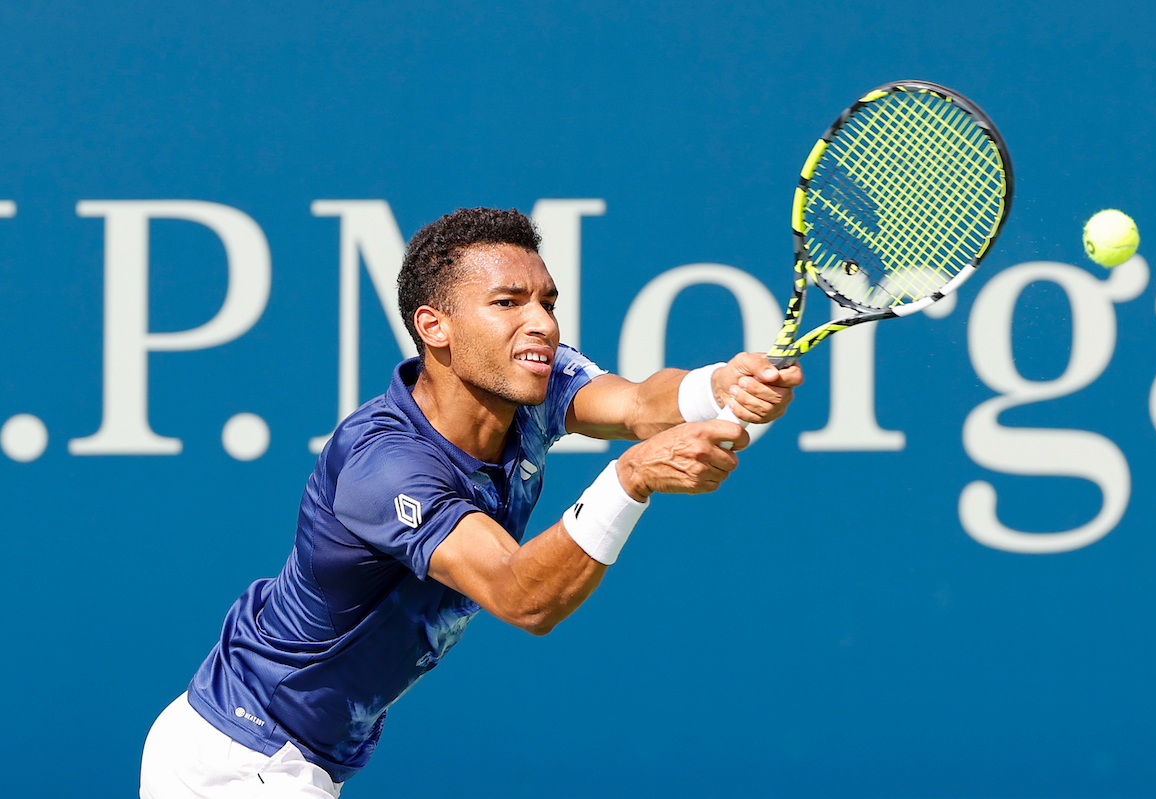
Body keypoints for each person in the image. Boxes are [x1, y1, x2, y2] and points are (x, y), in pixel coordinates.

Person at [140, 207, 802, 797]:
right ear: (435, 326)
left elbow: (637, 405)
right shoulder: (384, 465)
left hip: (289, 754)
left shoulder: (534, 379)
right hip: (239, 759)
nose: (540, 322)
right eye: (508, 302)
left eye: (547, 300)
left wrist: (722, 384)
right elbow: (522, 596)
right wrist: (630, 478)